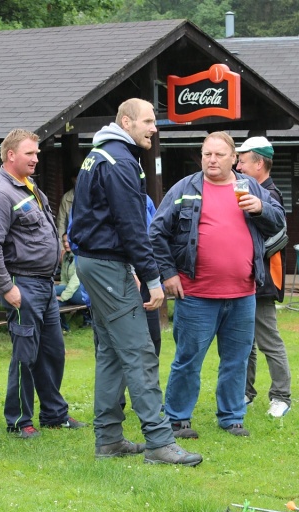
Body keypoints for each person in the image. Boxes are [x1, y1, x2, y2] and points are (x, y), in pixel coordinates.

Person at [70, 98, 202, 466]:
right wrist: (152, 278)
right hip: (108, 267)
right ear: (126, 122)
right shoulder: (120, 161)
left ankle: (109, 439)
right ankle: (160, 442)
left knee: (111, 353)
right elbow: (132, 227)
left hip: (94, 262)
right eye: (148, 121)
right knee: (140, 351)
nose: (154, 128)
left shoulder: (100, 155)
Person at [149, 131, 285, 439]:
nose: (212, 160)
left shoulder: (250, 187)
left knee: (236, 360)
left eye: (219, 154)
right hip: (196, 294)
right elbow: (156, 232)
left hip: (243, 293)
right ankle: (177, 419)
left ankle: (232, 418)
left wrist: (261, 208)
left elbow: (278, 221)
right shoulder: (185, 189)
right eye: (206, 154)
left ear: (234, 158)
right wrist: (168, 274)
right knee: (188, 360)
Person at [0, 129, 85, 439]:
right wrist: (5, 287)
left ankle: (54, 414)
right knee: (26, 355)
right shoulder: (1, 194)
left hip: (44, 285)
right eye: (30, 153)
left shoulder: (29, 186)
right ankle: (19, 421)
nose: (36, 158)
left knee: (52, 352)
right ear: (11, 155)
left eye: (37, 153)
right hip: (22, 284)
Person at [235, 136, 292, 418]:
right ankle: (245, 392)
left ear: (259, 164)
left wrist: (247, 256)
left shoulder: (270, 194)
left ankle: (281, 396)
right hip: (247, 279)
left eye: (242, 161)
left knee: (268, 339)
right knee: (245, 341)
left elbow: (278, 238)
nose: (237, 166)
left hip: (264, 280)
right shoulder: (246, 189)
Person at [56, 232, 89, 332]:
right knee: (53, 302)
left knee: (49, 290)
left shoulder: (80, 256)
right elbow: (63, 279)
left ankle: (40, 293)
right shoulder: (66, 257)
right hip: (70, 292)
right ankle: (64, 328)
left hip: (83, 294)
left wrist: (63, 296)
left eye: (68, 241)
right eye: (64, 241)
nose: (66, 244)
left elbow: (75, 281)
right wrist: (60, 295)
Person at [56, 176, 76, 243]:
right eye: (77, 178)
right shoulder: (67, 197)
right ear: (73, 179)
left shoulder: (93, 195)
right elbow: (61, 222)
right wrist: (62, 245)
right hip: (72, 240)